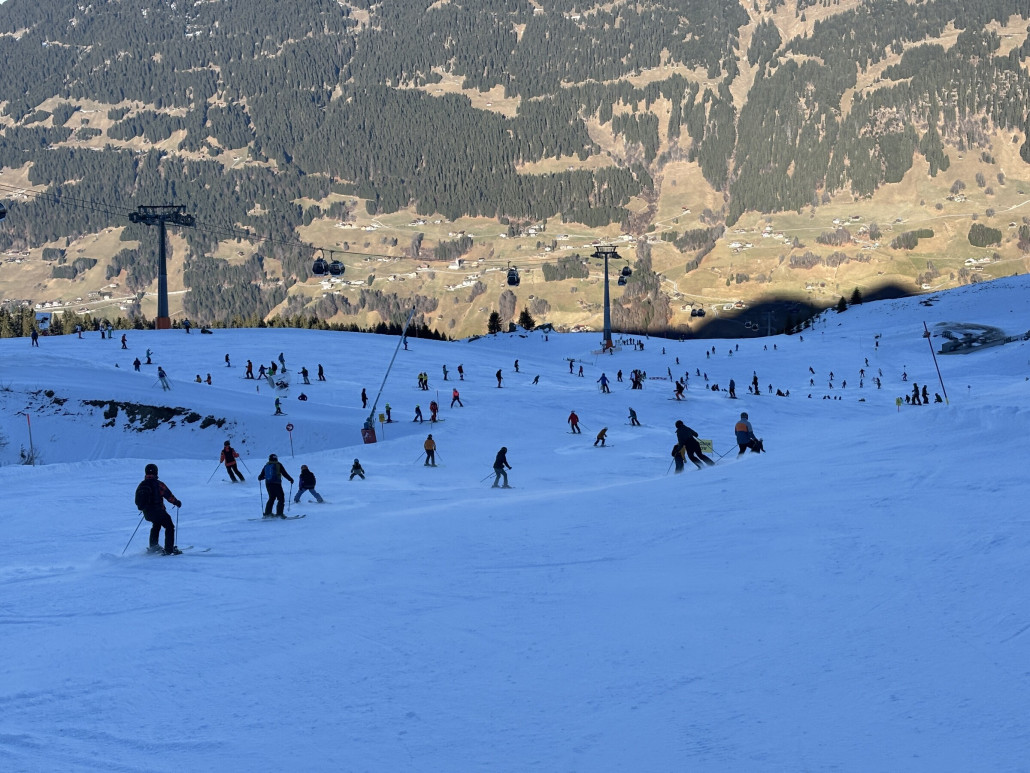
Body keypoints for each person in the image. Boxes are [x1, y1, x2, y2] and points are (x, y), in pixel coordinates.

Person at [137, 463, 182, 555]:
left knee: (156, 524)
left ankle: (153, 547)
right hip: (158, 511)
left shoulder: (142, 484)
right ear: (156, 472)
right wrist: (176, 502)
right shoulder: (158, 484)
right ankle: (169, 549)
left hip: (147, 513)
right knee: (169, 526)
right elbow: (168, 496)